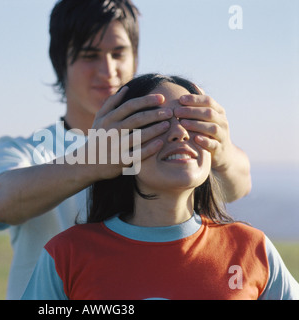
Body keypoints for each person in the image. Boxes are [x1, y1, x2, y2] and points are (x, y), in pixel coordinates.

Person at [0, 0, 252, 299]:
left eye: (119, 53)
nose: (108, 70)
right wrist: (94, 161)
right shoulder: (28, 149)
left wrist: (221, 149)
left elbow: (237, 186)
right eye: (90, 55)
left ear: (135, 58)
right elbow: (1, 203)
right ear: (61, 63)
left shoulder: (162, 139)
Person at [22, 74, 299, 300]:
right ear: (118, 147)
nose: (180, 132)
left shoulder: (251, 250)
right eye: (157, 122)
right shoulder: (67, 256)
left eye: (193, 120)